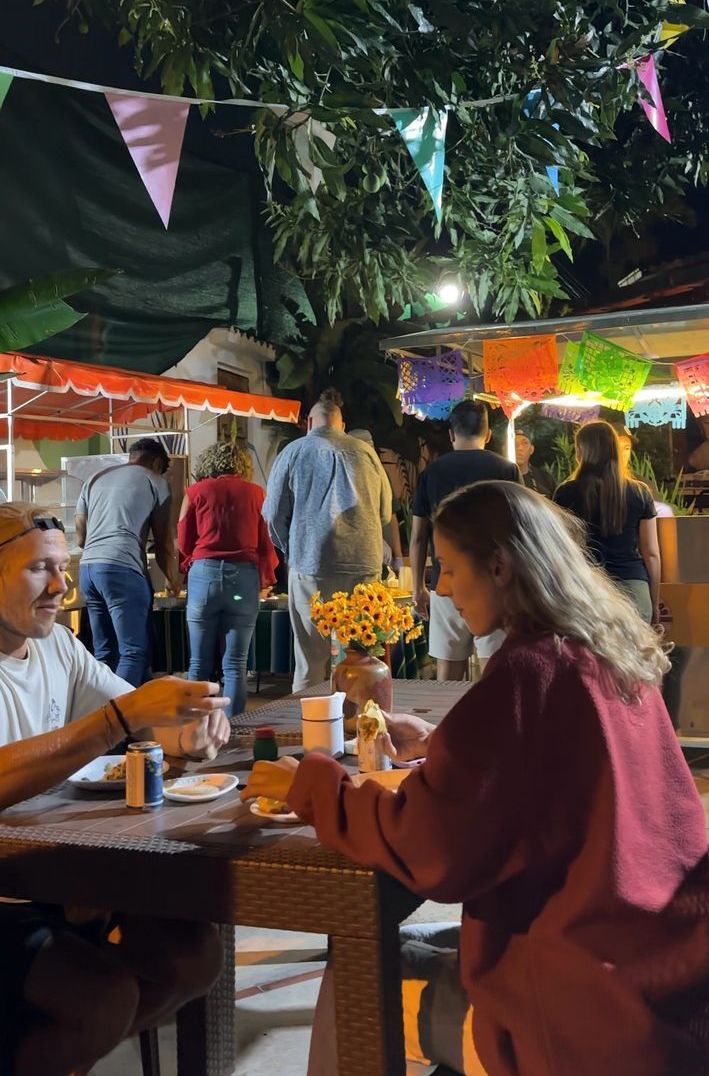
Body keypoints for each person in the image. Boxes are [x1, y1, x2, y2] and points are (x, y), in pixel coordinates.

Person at [244, 482, 709, 1076]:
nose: (440, 587)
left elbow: (431, 851)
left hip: (583, 1012)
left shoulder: (524, 673)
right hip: (665, 974)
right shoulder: (605, 653)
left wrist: (312, 784)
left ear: (499, 565)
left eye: (448, 567)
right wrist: (443, 744)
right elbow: (566, 773)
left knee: (356, 978)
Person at [0, 503, 229, 1076]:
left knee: (194, 955)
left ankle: (47, 1049)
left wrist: (193, 730)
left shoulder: (57, 645)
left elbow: (138, 718)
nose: (61, 586)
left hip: (69, 871)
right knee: (104, 998)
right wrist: (120, 717)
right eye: (40, 569)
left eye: (64, 568)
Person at [263, 389, 393, 691]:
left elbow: (272, 515)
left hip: (311, 565)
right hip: (363, 566)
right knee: (359, 656)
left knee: (311, 660)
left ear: (309, 423)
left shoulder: (293, 452)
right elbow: (385, 512)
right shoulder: (366, 453)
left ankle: (311, 730)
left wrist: (292, 546)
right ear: (342, 425)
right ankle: (359, 728)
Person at [411, 400, 521, 680]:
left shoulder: (431, 474)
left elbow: (418, 537)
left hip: (446, 582)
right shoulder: (507, 470)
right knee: (494, 673)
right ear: (487, 435)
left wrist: (417, 588)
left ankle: (447, 725)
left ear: (451, 434)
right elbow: (519, 532)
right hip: (494, 583)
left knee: (447, 674)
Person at [178, 442, 278, 716]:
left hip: (204, 576)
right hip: (243, 578)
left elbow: (184, 539)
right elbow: (265, 541)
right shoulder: (257, 494)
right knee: (235, 663)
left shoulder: (195, 492)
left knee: (198, 662)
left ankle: (194, 728)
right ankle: (234, 730)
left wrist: (192, 563)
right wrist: (266, 578)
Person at [76, 437, 180, 686]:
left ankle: (101, 714)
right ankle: (121, 718)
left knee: (104, 652)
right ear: (157, 462)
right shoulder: (157, 482)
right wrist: (173, 580)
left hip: (88, 570)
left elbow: (80, 536)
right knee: (133, 652)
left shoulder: (95, 478)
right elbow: (165, 541)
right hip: (122, 569)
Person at [554, 420, 661, 623]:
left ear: (580, 451)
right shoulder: (639, 492)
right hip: (634, 588)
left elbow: (562, 550)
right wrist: (654, 602)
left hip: (587, 588)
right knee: (635, 654)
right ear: (614, 449)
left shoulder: (565, 493)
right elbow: (652, 554)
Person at [347, 429, 403, 573]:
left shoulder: (381, 476)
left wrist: (398, 557)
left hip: (380, 554)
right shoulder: (343, 478)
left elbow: (391, 517)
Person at [514, 430, 555, 497]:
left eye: (525, 443)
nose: (519, 448)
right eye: (514, 444)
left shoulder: (546, 479)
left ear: (531, 449)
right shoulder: (500, 479)